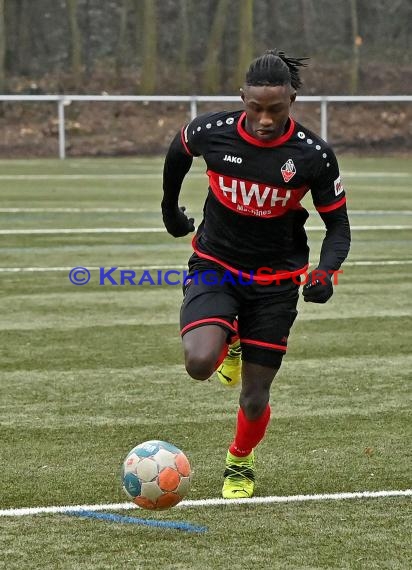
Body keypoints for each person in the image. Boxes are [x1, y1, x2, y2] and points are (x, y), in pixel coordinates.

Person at [161, 49, 351, 499]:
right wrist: (170, 209)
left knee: (254, 395)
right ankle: (230, 338)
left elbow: (338, 224)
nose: (265, 119)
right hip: (217, 264)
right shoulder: (212, 132)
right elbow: (178, 150)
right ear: (242, 97)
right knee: (199, 363)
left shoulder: (312, 156)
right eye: (256, 107)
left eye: (276, 109)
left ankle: (239, 463)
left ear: (292, 100)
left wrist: (326, 271)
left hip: (276, 281)